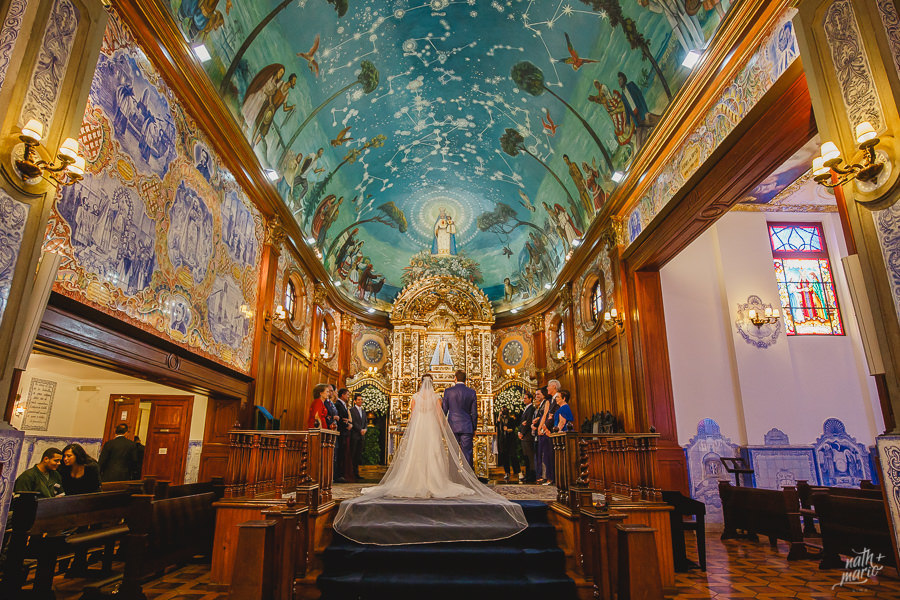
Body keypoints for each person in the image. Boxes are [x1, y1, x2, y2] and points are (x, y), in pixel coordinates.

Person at [331, 375, 528, 545]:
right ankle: (436, 481)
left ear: (420, 383)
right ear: (432, 384)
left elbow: (411, 417)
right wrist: (444, 429)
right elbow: (440, 416)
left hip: (418, 431)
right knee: (433, 455)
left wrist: (413, 429)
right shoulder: (436, 397)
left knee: (416, 457)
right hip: (432, 430)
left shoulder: (415, 396)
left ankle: (414, 480)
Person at [442, 370, 478, 468]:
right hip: (467, 426)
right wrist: (474, 427)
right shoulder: (471, 392)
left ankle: (453, 478)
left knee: (452, 453)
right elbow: (474, 413)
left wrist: (441, 424)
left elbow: (444, 410)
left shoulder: (448, 391)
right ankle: (468, 478)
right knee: (467, 454)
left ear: (455, 378)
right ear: (465, 379)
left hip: (452, 426)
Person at [518, 391, 538, 483]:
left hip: (528, 436)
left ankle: (531, 476)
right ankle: (528, 475)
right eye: (524, 398)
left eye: (526, 398)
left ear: (530, 399)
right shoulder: (526, 408)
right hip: (525, 436)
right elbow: (523, 422)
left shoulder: (531, 409)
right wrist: (520, 430)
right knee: (526, 457)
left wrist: (522, 432)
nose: (524, 400)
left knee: (529, 457)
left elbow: (528, 421)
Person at [496, 407, 520, 482]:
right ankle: (507, 472)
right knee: (504, 456)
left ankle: (517, 471)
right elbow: (497, 424)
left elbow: (513, 429)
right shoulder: (500, 420)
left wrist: (508, 429)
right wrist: (499, 416)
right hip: (502, 440)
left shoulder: (511, 419)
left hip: (510, 440)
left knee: (513, 456)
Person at [334, 388, 351, 483]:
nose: (348, 396)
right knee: (339, 454)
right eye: (347, 395)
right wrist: (346, 424)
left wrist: (347, 422)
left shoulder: (343, 404)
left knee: (342, 454)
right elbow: (340, 419)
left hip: (343, 432)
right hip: (340, 432)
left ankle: (340, 474)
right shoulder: (338, 404)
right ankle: (338, 475)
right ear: (342, 395)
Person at [350, 393, 367, 479]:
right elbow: (353, 422)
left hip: (361, 436)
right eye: (358, 399)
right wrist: (360, 429)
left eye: (361, 399)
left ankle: (357, 473)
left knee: (358, 455)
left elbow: (365, 422)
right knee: (353, 454)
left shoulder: (363, 411)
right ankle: (352, 473)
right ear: (355, 401)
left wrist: (365, 429)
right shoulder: (352, 410)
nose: (360, 401)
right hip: (355, 435)